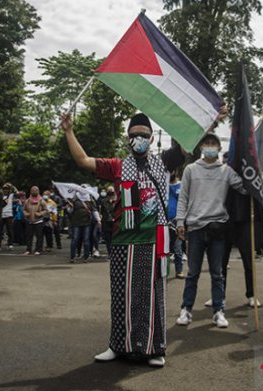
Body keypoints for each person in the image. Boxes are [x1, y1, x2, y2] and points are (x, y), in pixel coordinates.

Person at [61, 111, 186, 368]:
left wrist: (205, 115)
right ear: (127, 138)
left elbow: (186, 143)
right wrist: (68, 131)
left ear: (152, 139)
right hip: (122, 239)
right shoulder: (117, 165)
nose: (138, 138)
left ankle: (154, 347)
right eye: (134, 135)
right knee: (121, 294)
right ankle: (117, 345)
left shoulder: (163, 162)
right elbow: (84, 161)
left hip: (153, 239)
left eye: (143, 135)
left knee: (152, 294)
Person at [175, 133, 247, 329]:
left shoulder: (226, 171)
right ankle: (186, 309)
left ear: (219, 148)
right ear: (201, 148)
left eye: (213, 144)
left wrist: (255, 170)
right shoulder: (190, 170)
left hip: (217, 227)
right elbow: (183, 198)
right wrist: (181, 222)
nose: (209, 147)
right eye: (206, 143)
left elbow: (244, 187)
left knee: (217, 273)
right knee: (193, 273)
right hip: (195, 227)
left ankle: (218, 311)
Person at [168, 173, 184, 278]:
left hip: (177, 222)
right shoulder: (163, 184)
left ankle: (179, 270)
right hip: (163, 222)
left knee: (177, 248)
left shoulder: (182, 185)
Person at [23, 186, 48, 256]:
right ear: (30, 191)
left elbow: (46, 210)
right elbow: (24, 209)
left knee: (39, 236)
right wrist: (26, 214)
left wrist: (40, 214)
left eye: (36, 190)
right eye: (33, 190)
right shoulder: (27, 201)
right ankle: (28, 249)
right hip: (29, 221)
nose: (34, 191)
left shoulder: (41, 200)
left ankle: (38, 250)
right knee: (29, 236)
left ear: (38, 191)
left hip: (39, 221)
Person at [100, 185, 116, 256]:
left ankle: (114, 252)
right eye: (109, 191)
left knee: (114, 238)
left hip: (114, 222)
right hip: (106, 222)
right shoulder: (103, 201)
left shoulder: (116, 201)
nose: (110, 192)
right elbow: (102, 212)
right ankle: (110, 253)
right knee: (107, 239)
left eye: (111, 191)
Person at [1, 182, 17, 250]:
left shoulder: (11, 195)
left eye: (7, 189)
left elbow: (17, 192)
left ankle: (10, 244)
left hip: (9, 215)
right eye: (4, 189)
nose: (5, 190)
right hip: (1, 215)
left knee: (10, 230)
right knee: (0, 230)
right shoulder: (0, 196)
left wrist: (11, 185)